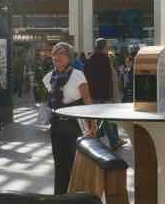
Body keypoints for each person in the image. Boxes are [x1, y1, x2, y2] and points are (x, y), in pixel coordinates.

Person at [46, 42, 95, 194]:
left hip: (75, 126)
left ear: (69, 57)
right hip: (57, 126)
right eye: (55, 53)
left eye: (62, 53)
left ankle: (75, 194)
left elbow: (87, 101)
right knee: (59, 163)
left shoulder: (77, 75)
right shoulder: (49, 77)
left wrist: (92, 124)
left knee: (75, 162)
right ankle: (60, 195)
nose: (57, 57)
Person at [84, 38, 125, 151]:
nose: (108, 47)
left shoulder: (90, 58)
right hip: (104, 93)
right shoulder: (105, 59)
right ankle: (113, 141)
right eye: (107, 45)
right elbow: (108, 79)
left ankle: (106, 138)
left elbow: (86, 77)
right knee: (105, 118)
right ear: (104, 46)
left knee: (101, 117)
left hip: (94, 93)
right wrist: (110, 95)